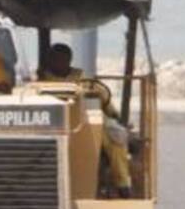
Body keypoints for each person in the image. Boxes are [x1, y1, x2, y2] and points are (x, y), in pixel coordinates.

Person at [40, 43, 132, 197]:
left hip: (88, 121)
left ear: (69, 60)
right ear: (50, 60)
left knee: (116, 137)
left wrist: (115, 115)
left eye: (63, 58)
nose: (59, 62)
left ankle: (122, 183)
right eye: (55, 58)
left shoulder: (85, 81)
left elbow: (105, 101)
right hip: (54, 122)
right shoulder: (41, 82)